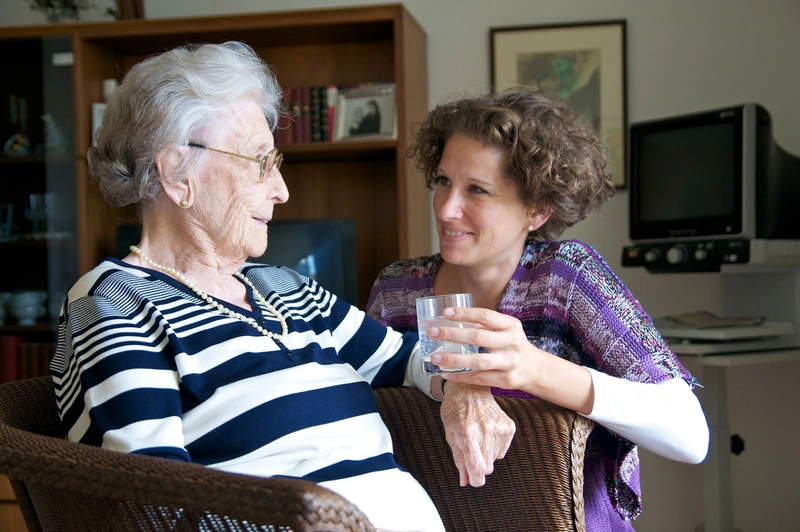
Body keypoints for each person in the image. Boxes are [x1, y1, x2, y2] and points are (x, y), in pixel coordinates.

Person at [50, 41, 444, 532]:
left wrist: (467, 390)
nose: (281, 190)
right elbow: (153, 506)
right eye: (261, 161)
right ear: (177, 175)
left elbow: (413, 358)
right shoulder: (115, 304)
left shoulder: (285, 288)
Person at [366, 87, 710, 530]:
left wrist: (532, 370)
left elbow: (690, 434)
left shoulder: (565, 279)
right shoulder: (397, 288)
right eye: (443, 182)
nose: (448, 209)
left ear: (537, 211)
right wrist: (457, 386)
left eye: (478, 190)